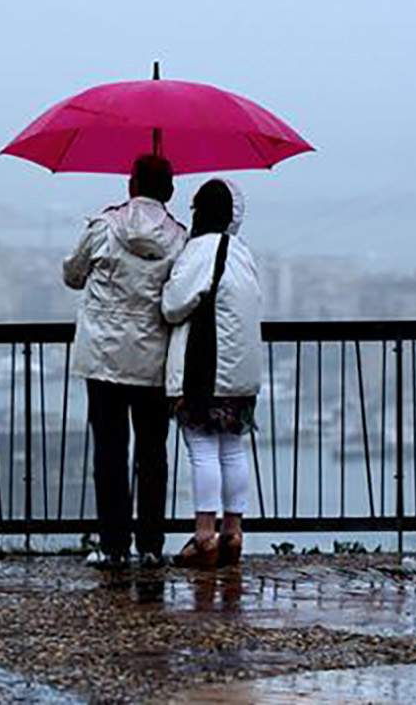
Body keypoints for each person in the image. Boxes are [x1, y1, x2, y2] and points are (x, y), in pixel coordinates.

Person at [63, 153, 187, 568]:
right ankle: (151, 544)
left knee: (110, 452)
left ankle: (113, 545)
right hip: (153, 361)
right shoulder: (179, 238)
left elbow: (72, 275)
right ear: (170, 191)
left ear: (130, 185)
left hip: (103, 358)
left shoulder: (104, 226)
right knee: (153, 453)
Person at [161, 178, 262, 569]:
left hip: (205, 368)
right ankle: (233, 533)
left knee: (202, 448)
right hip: (241, 370)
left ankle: (204, 537)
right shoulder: (242, 252)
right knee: (232, 448)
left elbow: (174, 305)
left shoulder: (200, 250)